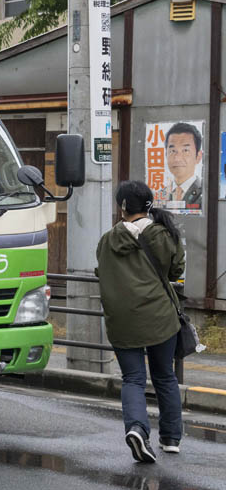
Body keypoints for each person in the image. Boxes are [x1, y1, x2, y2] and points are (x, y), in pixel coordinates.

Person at [96, 180, 186, 462]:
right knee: (165, 377)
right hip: (160, 317)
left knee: (133, 379)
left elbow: (102, 272)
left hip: (122, 320)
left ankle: (137, 428)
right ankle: (170, 438)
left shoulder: (108, 240)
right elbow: (176, 270)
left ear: (123, 207)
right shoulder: (163, 234)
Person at [157, 122, 203, 208]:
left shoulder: (205, 193)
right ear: (166, 155)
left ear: (198, 156)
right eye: (172, 151)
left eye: (185, 150)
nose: (177, 158)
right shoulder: (160, 195)